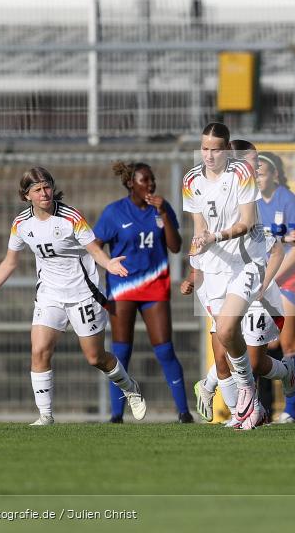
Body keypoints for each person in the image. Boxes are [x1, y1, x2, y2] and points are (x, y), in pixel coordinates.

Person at [0, 167, 146, 425]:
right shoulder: (21, 223)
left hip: (83, 294)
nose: (44, 193)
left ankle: (129, 387)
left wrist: (109, 264)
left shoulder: (70, 217)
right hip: (49, 295)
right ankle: (45, 416)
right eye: (37, 189)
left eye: (47, 186)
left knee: (95, 357)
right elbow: (10, 262)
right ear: (26, 195)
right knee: (39, 351)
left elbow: (94, 249)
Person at [182, 123, 272, 430]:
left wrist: (215, 236)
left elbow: (248, 221)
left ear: (227, 148)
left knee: (227, 326)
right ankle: (251, 407)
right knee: (224, 335)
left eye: (216, 149)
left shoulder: (241, 175)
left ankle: (247, 389)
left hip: (246, 261)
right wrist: (195, 258)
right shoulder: (191, 180)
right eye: (205, 148)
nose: (209, 155)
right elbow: (198, 228)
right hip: (214, 267)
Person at [93, 161, 191, 424]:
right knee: (121, 352)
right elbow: (95, 246)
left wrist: (165, 215)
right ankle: (117, 415)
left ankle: (183, 412)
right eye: (144, 180)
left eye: (152, 180)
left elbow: (175, 246)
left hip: (155, 287)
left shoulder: (161, 208)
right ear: (130, 184)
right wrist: (102, 271)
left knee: (165, 350)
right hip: (123, 288)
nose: (150, 185)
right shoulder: (114, 212)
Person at [255, 151, 295, 423]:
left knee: (288, 343)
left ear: (274, 175)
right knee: (257, 343)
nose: (257, 177)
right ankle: (257, 408)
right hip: (261, 280)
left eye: (262, 172)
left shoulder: (286, 199)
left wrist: (273, 277)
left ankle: (291, 411)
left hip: (285, 279)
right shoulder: (250, 202)